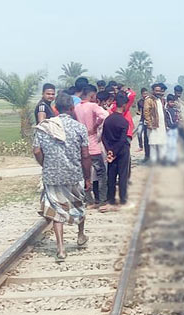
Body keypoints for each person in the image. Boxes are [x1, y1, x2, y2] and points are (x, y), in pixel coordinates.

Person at [32, 93, 91, 261]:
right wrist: (87, 178)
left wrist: (45, 164)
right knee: (79, 204)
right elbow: (86, 155)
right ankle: (80, 235)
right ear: (72, 108)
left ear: (55, 108)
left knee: (56, 212)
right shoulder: (79, 128)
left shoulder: (45, 127)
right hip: (74, 173)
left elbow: (36, 151)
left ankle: (60, 248)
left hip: (52, 176)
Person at [74, 84, 109, 210]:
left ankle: (89, 201)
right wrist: (96, 125)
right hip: (94, 144)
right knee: (101, 174)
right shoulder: (93, 106)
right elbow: (105, 115)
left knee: (86, 175)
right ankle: (102, 200)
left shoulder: (76, 107)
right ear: (92, 95)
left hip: (81, 145)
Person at [103, 92, 131, 207]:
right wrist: (115, 151)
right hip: (122, 151)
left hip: (110, 151)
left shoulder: (108, 119)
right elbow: (122, 139)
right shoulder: (124, 122)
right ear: (124, 105)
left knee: (111, 174)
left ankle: (111, 198)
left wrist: (109, 150)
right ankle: (123, 198)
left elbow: (103, 137)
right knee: (123, 175)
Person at [144, 83, 167, 164]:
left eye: (159, 91)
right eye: (156, 90)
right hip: (153, 125)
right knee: (153, 144)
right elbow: (146, 112)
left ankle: (162, 161)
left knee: (162, 142)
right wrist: (149, 124)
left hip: (161, 125)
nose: (158, 92)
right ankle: (154, 162)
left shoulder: (160, 99)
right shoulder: (149, 100)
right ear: (153, 91)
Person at [165, 94, 180, 165]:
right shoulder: (166, 111)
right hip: (169, 129)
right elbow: (167, 121)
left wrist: (178, 122)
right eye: (171, 102)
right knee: (170, 145)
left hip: (175, 129)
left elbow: (177, 118)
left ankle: (173, 159)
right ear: (167, 102)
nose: (172, 103)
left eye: (173, 102)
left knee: (174, 145)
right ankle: (169, 159)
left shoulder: (175, 110)